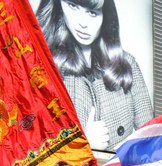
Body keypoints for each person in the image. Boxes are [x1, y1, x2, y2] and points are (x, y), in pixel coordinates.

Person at [36, 0, 153, 151]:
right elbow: (31, 148)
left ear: (105, 14)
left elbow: (150, 137)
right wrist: (82, 144)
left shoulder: (126, 63)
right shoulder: (42, 65)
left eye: (92, 12)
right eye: (73, 6)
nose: (83, 23)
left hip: (120, 165)